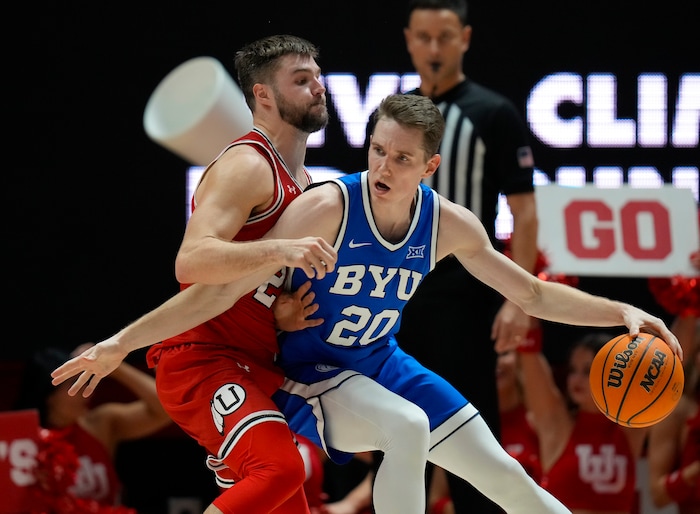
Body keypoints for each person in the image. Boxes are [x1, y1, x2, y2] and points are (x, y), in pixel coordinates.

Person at [54, 93, 682, 513]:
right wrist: (121, 343)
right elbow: (217, 288)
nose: (384, 165)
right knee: (405, 426)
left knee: (507, 481)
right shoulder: (326, 208)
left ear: (429, 166)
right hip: (307, 375)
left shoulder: (448, 224)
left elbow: (533, 292)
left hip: (381, 364)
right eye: (378, 149)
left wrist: (621, 312)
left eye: (402, 157)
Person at [55, 34, 338, 514]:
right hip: (203, 358)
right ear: (263, 96)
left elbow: (239, 288)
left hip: (256, 362)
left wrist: (279, 314)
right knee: (281, 469)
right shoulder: (247, 164)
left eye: (317, 76)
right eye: (301, 79)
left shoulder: (306, 184)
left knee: (293, 497)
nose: (319, 86)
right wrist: (121, 344)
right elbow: (193, 261)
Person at [393, 2, 540, 511]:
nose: (435, 49)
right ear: (410, 39)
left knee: (469, 434)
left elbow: (525, 212)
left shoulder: (492, 113)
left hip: (465, 298)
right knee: (393, 431)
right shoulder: (396, 115)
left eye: (446, 37)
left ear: (466, 39)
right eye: (425, 37)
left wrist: (516, 300)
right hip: (397, 294)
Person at [13, 343, 172, 510]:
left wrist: (113, 365)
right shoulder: (22, 442)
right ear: (49, 395)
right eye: (75, 383)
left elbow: (165, 408)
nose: (87, 391)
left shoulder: (101, 424)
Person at [516, 331, 650, 513]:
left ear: (613, 375)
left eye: (588, 371)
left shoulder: (630, 428)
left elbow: (668, 366)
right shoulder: (557, 425)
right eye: (572, 370)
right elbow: (529, 353)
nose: (576, 379)